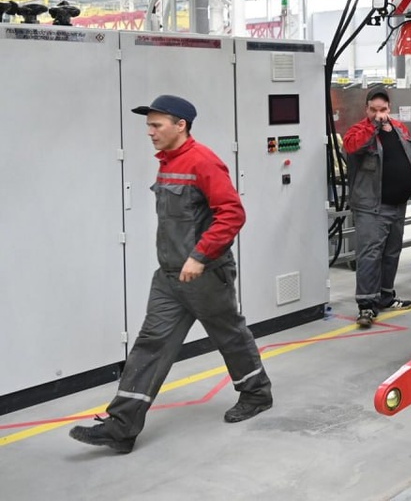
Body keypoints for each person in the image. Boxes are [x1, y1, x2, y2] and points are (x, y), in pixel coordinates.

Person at [70, 95, 272, 454]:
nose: (149, 132)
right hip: (168, 276)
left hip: (205, 274)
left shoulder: (203, 161)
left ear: (181, 125)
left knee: (229, 335)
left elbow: (232, 214)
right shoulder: (167, 162)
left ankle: (256, 393)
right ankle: (122, 426)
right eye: (148, 125)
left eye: (156, 125)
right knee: (151, 343)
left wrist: (200, 255)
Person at [343, 90, 411, 328]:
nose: (379, 115)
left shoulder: (400, 129)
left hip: (398, 205)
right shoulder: (358, 131)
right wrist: (374, 127)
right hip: (372, 207)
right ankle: (367, 305)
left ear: (389, 108)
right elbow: (352, 147)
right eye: (373, 110)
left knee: (391, 253)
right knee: (370, 254)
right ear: (366, 109)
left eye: (383, 110)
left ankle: (385, 296)